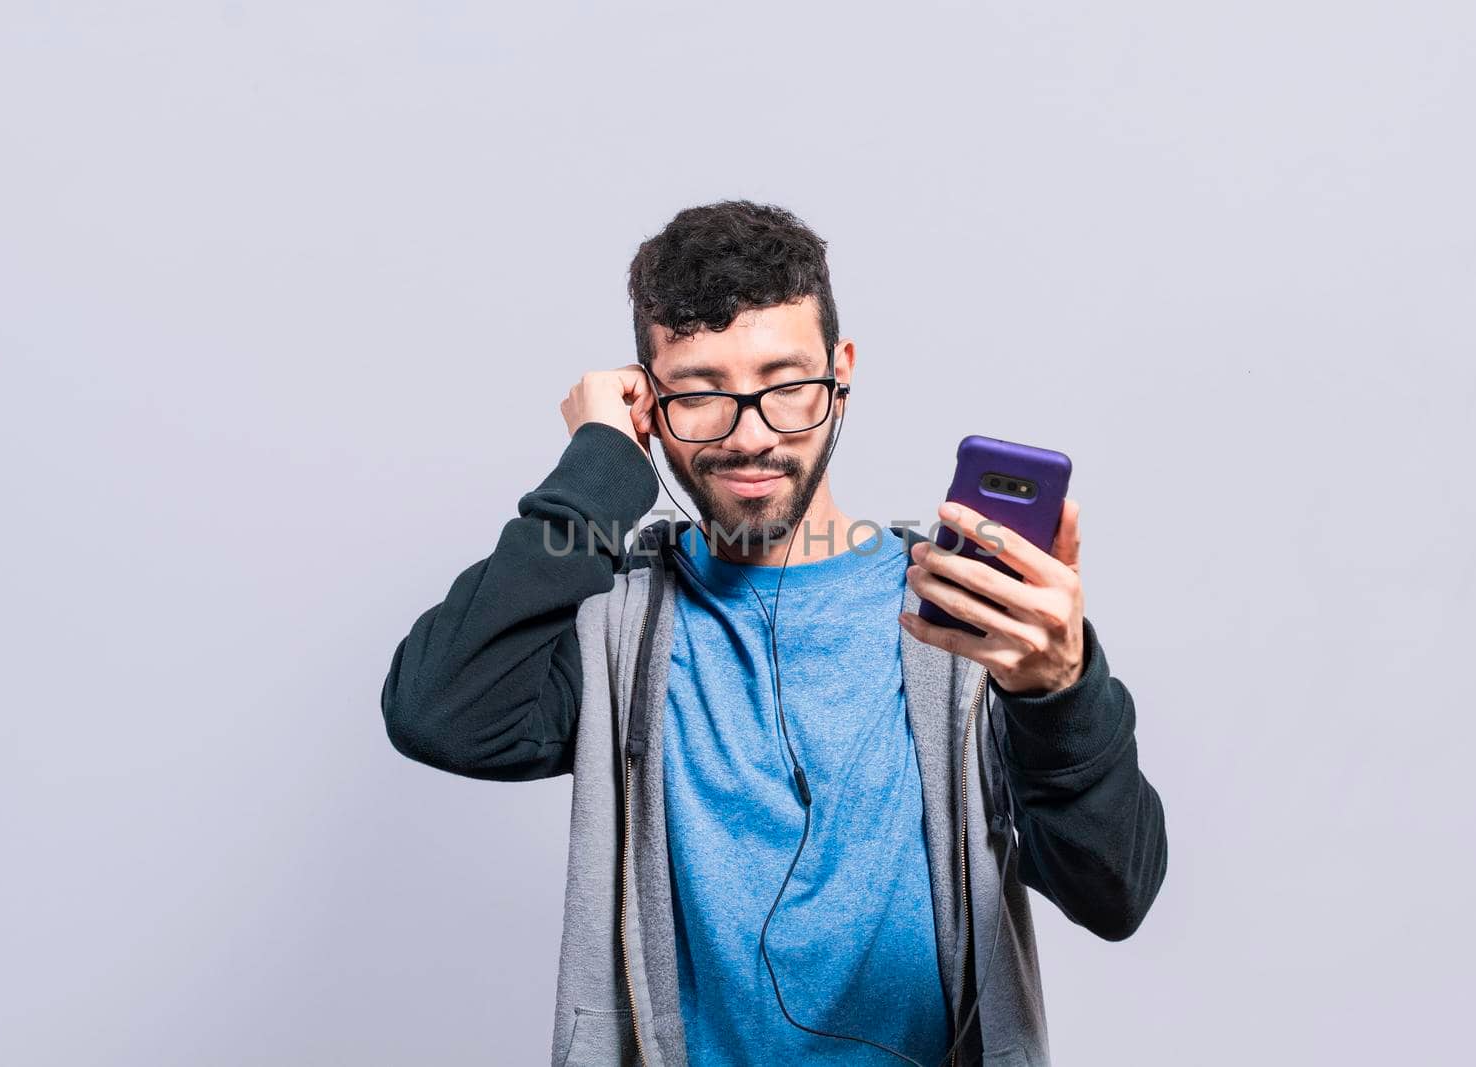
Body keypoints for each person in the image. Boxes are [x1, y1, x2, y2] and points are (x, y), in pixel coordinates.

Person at [380, 199, 1168, 1066]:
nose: (751, 435)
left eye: (786, 384)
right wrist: (599, 463)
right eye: (702, 392)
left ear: (842, 371)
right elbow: (436, 708)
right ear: (646, 397)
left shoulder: (965, 622)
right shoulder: (618, 627)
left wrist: (1058, 690)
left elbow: (1115, 891)